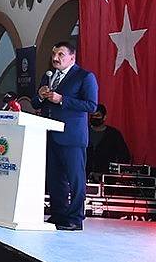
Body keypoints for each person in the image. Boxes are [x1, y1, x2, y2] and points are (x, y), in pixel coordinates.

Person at [33, 41, 98, 230]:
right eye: (54, 54)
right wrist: (40, 96)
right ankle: (59, 215)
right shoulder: (48, 76)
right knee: (55, 179)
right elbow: (36, 104)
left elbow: (91, 105)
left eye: (60, 54)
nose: (55, 58)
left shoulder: (84, 76)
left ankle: (76, 218)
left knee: (75, 179)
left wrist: (62, 100)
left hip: (72, 137)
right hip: (50, 135)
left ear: (72, 57)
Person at [86, 104, 131, 179]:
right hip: (84, 174)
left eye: (97, 115)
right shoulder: (84, 132)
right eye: (92, 115)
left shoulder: (113, 134)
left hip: (107, 176)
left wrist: (114, 173)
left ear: (104, 117)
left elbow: (124, 156)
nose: (94, 118)